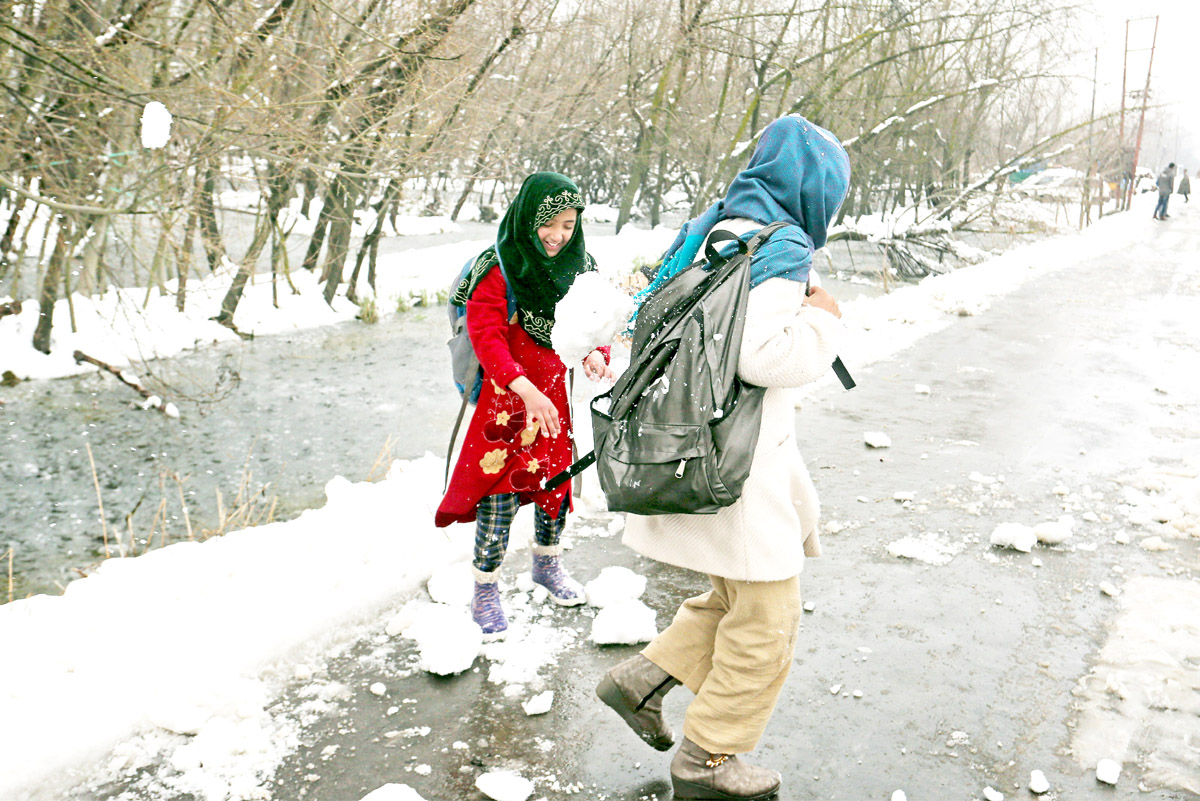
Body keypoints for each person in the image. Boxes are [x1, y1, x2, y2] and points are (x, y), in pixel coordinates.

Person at [596, 114, 849, 800]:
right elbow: (762, 355)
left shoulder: (719, 225)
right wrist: (823, 314)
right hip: (739, 466)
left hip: (705, 447)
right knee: (768, 618)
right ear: (818, 189)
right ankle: (707, 757)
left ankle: (639, 681)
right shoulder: (781, 245)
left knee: (735, 598)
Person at [436, 172, 614, 639]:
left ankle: (547, 566)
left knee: (555, 489)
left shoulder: (582, 267)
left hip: (553, 401)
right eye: (548, 224)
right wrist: (523, 388)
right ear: (527, 219)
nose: (558, 236)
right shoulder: (499, 266)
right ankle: (486, 588)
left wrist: (596, 353)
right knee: (499, 496)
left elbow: (595, 325)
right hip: (505, 407)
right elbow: (486, 336)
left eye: (568, 225)